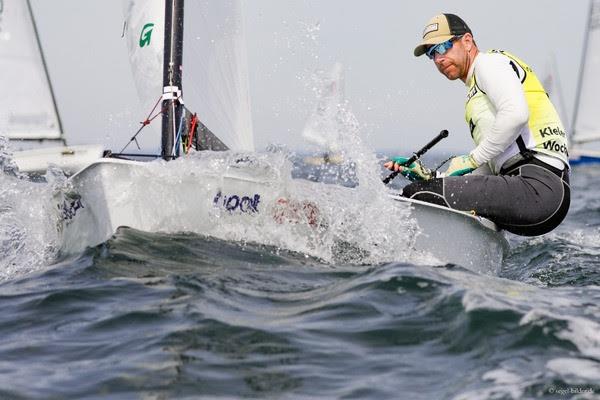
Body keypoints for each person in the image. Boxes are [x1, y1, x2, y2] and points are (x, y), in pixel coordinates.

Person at [384, 13, 570, 236]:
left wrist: (471, 158)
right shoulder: (476, 96)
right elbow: (484, 174)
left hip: (539, 187)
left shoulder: (488, 64)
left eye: (443, 46)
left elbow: (516, 114)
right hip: (529, 189)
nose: (438, 59)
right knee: (430, 190)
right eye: (431, 54)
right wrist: (431, 177)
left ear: (467, 41)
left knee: (416, 194)